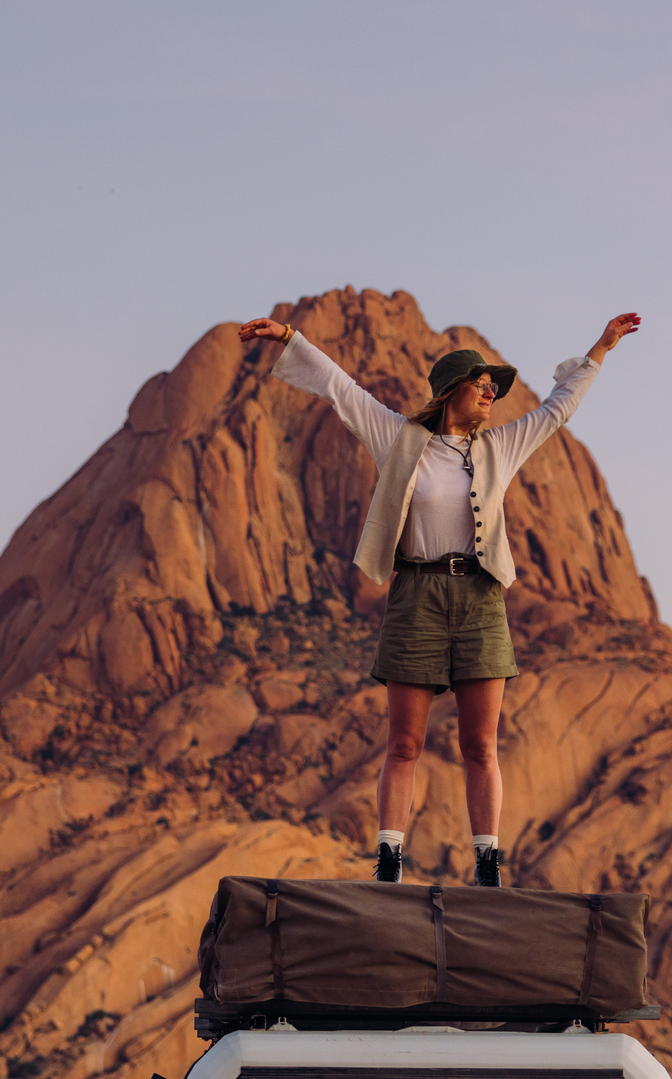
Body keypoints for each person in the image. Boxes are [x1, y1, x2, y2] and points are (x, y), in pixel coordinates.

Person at [237, 309, 641, 887]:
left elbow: (557, 410)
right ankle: (389, 864)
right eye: (480, 384)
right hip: (416, 593)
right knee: (404, 743)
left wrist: (599, 349)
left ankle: (486, 867)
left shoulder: (501, 446)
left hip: (479, 598)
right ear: (452, 390)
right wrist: (290, 338)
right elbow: (340, 390)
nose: (489, 393)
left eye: (492, 388)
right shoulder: (400, 440)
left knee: (480, 744)